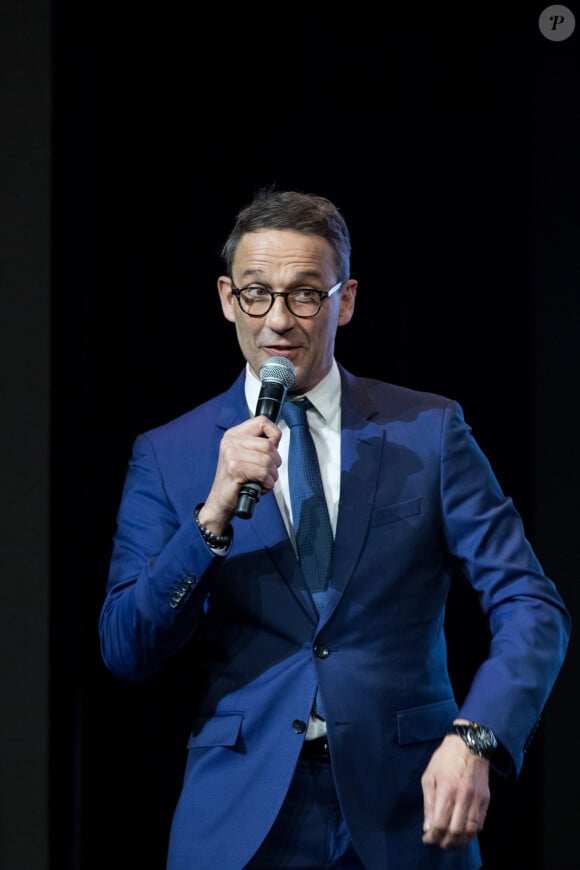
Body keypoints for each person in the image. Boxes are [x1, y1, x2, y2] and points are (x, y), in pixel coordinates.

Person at [99, 187, 571, 870]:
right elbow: (126, 647)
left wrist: (476, 737)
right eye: (257, 293)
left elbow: (531, 604)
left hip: (408, 809)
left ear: (344, 301)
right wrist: (211, 518)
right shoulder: (170, 453)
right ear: (228, 298)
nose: (278, 320)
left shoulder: (430, 431)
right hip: (242, 817)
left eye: (305, 295)